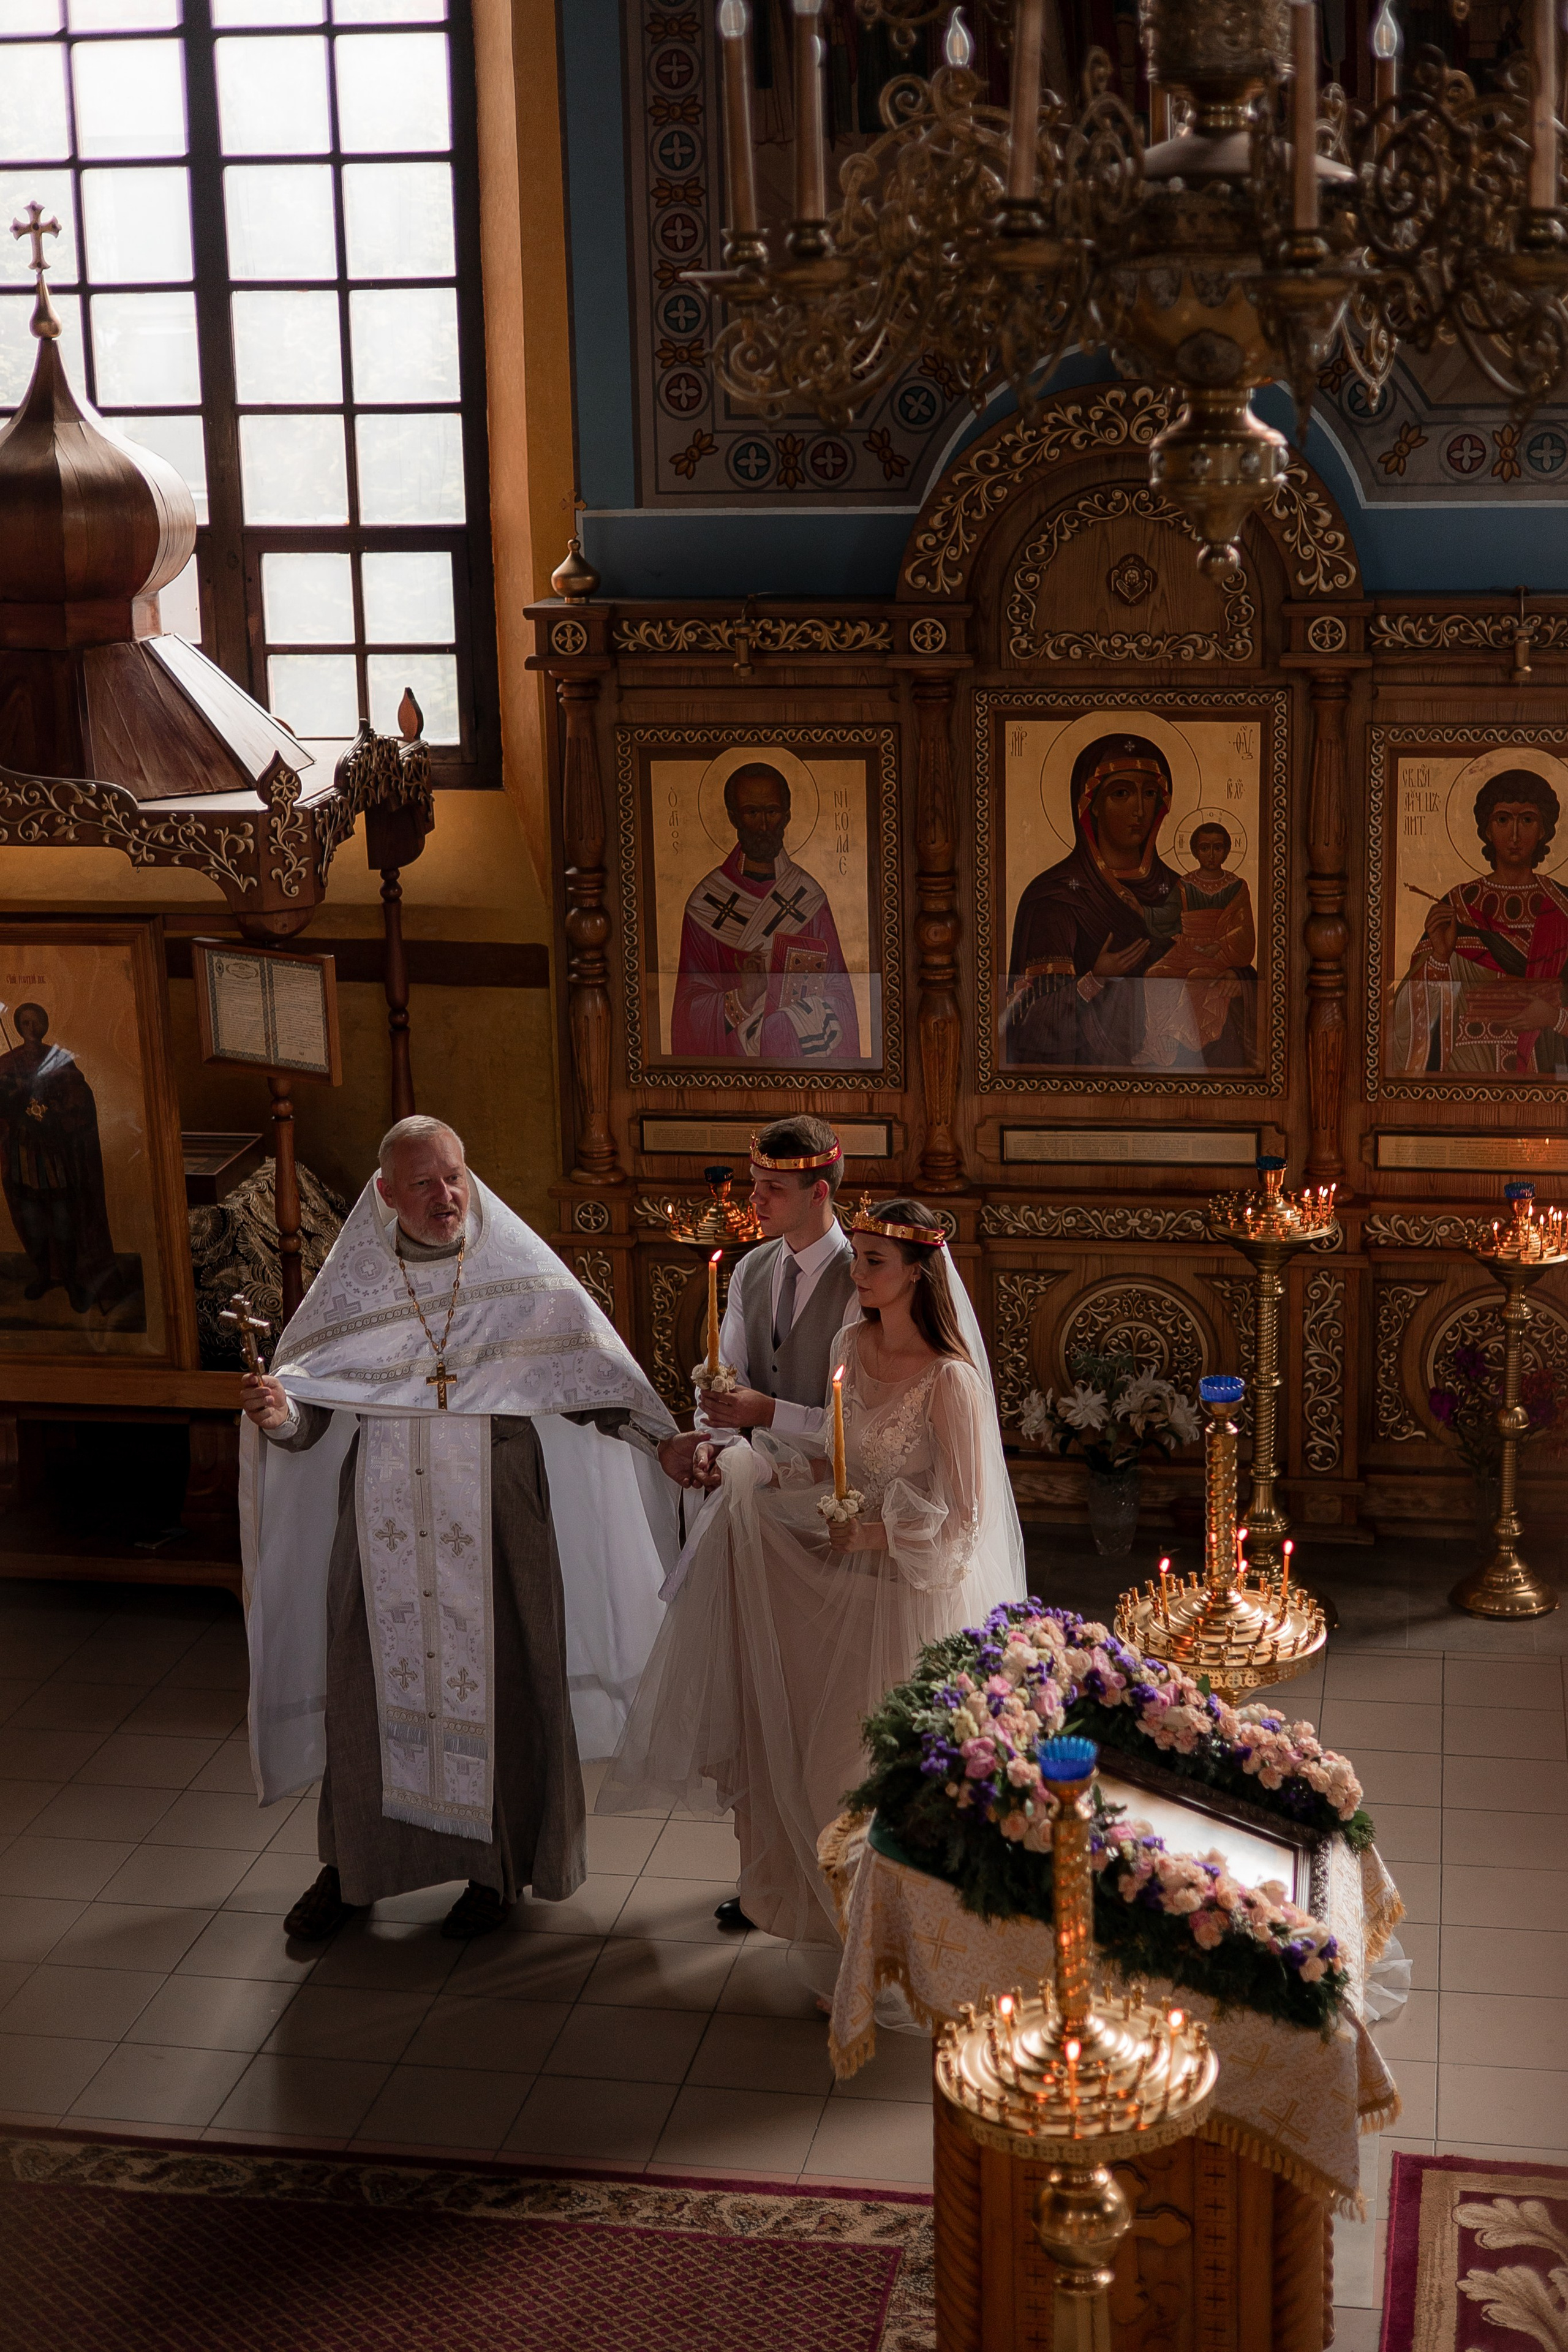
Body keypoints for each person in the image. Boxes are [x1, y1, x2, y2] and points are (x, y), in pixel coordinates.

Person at [239, 1116, 678, 1944]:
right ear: (384, 1196)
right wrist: (278, 1413)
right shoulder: (354, 1288)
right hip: (384, 1520)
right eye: (424, 1185)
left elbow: (588, 1376)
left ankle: (497, 1871)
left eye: (455, 1178)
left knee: (504, 1686)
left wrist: (664, 1440)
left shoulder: (517, 1276)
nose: (446, 1198)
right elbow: (309, 1414)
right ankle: (354, 1871)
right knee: (369, 1688)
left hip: (496, 1516)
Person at [597, 1195, 1027, 1986]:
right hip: (829, 1591)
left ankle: (899, 1950)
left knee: (860, 1772)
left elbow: (965, 1522)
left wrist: (876, 1533)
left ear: (919, 1275)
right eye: (856, 1257)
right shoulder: (849, 1343)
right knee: (807, 1764)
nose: (857, 1274)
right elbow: (832, 1459)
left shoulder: (951, 1381)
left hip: (907, 1600)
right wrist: (753, 1467)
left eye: (873, 1262)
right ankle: (837, 1937)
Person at [656, 1113, 861, 1929]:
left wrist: (767, 1412)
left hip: (830, 1515)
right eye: (753, 1185)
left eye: (772, 1189)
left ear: (820, 1191)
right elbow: (725, 1385)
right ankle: (769, 1880)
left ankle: (840, 1888)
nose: (755, 1201)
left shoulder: (867, 1275)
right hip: (756, 1511)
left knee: (820, 1712)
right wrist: (711, 1441)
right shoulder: (748, 1272)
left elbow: (869, 1425)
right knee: (756, 1701)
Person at [1003, 734, 1187, 1069]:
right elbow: (1025, 1028)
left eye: (1150, 793)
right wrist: (1095, 980)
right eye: (1122, 793)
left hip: (1175, 1083)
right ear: (1092, 804)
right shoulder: (1053, 898)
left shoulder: (1181, 891)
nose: (1140, 809)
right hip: (1080, 1086)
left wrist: (1231, 977)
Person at [669, 759, 862, 1063]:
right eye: (751, 812)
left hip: (797, 1058)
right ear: (733, 817)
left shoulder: (809, 898)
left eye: (771, 812)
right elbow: (688, 1011)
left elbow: (841, 994)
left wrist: (801, 1012)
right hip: (734, 1070)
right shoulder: (705, 904)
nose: (762, 825)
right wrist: (743, 997)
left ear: (787, 816)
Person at [1391, 768, 1568, 1074]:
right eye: (1502, 820)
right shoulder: (1458, 906)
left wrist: (1555, 1018)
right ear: (1487, 830)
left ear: (1543, 830)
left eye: (1527, 820)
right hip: (1469, 1066)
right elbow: (1405, 1014)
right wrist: (1440, 959)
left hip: (1548, 1065)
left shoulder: (1563, 908)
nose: (1514, 835)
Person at [0, 1000, 123, 1314]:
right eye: (25, 1023)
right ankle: (44, 1275)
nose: (31, 1029)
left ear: (45, 1025)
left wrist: (54, 1110)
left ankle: (71, 1279)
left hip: (57, 1157)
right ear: (16, 1027)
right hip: (24, 1158)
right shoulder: (7, 1063)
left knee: (64, 1220)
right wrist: (15, 1098)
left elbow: (80, 1100)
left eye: (36, 1022)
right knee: (33, 1220)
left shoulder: (60, 1060)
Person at [1143, 820, 1258, 1065]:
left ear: (1227, 851)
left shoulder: (1237, 887)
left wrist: (1219, 945)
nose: (1212, 854)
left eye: (1218, 848)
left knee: (1199, 976)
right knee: (1155, 974)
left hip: (1220, 952)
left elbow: (1244, 928)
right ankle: (1156, 1044)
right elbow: (1168, 915)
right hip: (1187, 948)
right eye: (1205, 848)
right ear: (1195, 851)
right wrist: (1141, 911)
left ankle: (1174, 1035)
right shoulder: (1185, 885)